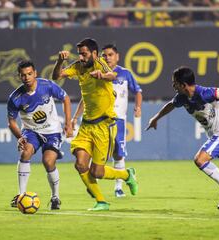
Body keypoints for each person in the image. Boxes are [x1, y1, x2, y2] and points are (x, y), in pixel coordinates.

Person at [146, 66, 219, 210]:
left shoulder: (204, 93)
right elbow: (171, 105)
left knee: (200, 159)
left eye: (175, 83)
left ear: (183, 85)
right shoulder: (182, 97)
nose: (173, 86)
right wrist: (156, 118)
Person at [52, 38, 138, 211]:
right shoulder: (77, 66)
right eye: (80, 54)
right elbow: (56, 76)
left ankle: (127, 175)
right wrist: (60, 61)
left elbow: (112, 75)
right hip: (86, 125)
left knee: (97, 172)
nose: (82, 57)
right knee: (80, 164)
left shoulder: (100, 64)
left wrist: (102, 75)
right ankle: (101, 201)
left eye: (84, 54)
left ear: (94, 54)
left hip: (104, 126)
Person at [72, 44, 142, 198]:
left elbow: (137, 91)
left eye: (110, 54)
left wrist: (138, 107)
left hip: (119, 120)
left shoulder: (124, 73)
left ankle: (118, 187)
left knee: (118, 154)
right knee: (88, 159)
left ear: (117, 56)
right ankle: (93, 182)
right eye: (105, 55)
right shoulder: (95, 72)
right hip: (98, 121)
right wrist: (75, 117)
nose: (107, 57)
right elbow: (87, 98)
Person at [8, 60, 73, 210]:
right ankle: (21, 195)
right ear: (19, 77)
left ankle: (55, 196)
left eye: (29, 74)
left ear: (35, 73)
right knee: (25, 153)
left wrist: (68, 123)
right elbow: (11, 122)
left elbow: (66, 98)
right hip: (31, 132)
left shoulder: (47, 85)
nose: (27, 77)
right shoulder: (15, 98)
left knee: (48, 161)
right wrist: (20, 137)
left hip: (52, 132)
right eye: (23, 75)